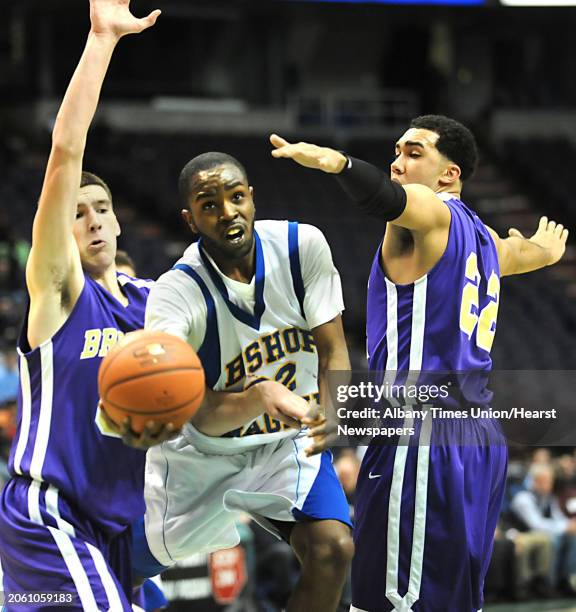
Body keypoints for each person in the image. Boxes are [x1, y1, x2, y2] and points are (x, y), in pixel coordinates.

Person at [269, 116, 569, 612]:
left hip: (422, 433)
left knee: (393, 602)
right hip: (476, 437)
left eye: (413, 152)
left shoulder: (432, 211)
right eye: (396, 151)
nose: (397, 161)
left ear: (448, 175)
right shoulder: (482, 240)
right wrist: (547, 249)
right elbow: (521, 253)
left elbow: (384, 198)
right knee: (450, 601)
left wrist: (335, 162)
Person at [132, 152, 355, 612]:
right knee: (122, 565)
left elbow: (334, 350)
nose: (228, 212)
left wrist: (333, 408)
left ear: (252, 198)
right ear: (190, 220)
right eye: (209, 205)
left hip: (283, 443)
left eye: (236, 197)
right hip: (201, 454)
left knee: (333, 549)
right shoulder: (176, 294)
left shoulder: (301, 247)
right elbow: (202, 415)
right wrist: (261, 395)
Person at [0, 2, 167, 608]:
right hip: (50, 514)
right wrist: (101, 41)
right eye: (77, 212)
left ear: (120, 221)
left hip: (117, 523)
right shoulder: (62, 291)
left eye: (101, 209)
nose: (92, 220)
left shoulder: (158, 305)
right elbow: (65, 155)